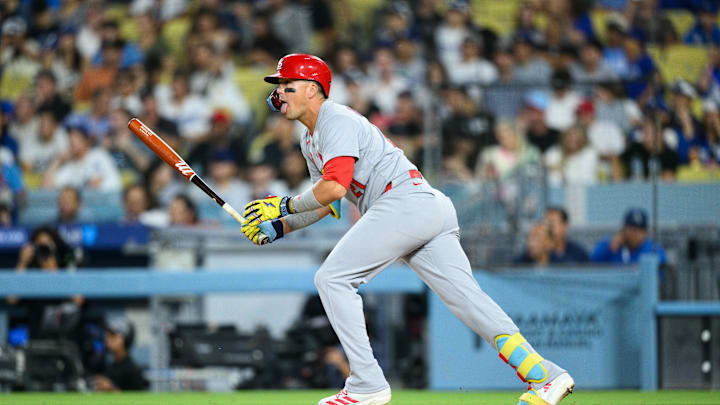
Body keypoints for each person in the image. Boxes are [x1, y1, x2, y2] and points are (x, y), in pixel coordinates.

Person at [240, 54, 574, 405]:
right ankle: (546, 377)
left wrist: (283, 205)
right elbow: (325, 204)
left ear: (312, 89)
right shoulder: (310, 139)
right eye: (279, 87)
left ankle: (366, 383)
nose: (280, 94)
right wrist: (279, 227)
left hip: (402, 202)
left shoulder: (333, 119)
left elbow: (335, 187)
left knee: (333, 279)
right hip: (424, 208)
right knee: (470, 303)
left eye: (286, 86)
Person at [590, 207, 667, 265]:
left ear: (645, 232)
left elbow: (661, 274)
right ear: (624, 230)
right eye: (632, 229)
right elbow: (591, 263)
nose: (635, 234)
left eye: (640, 230)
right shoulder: (611, 244)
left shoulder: (653, 249)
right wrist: (609, 248)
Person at [92, 318, 149, 392]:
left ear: (125, 339)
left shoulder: (134, 370)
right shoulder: (109, 366)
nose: (107, 339)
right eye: (107, 335)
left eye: (113, 336)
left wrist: (111, 389)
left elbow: (137, 401)